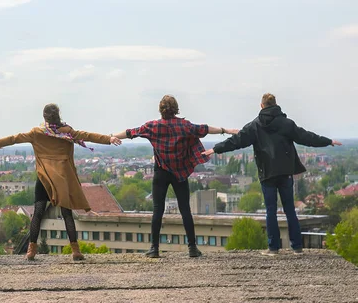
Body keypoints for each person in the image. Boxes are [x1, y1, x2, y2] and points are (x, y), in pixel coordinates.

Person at [203, 93, 342, 255]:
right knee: (290, 209)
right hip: (285, 172)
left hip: (267, 172)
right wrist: (328, 141)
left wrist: (214, 149)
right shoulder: (287, 124)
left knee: (271, 210)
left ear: (261, 106)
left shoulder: (254, 126)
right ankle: (297, 247)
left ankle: (273, 248)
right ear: (276, 105)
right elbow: (306, 137)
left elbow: (235, 141)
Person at [0, 103, 121, 261]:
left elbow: (14, 138)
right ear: (58, 115)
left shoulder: (37, 133)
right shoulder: (68, 132)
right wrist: (110, 139)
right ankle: (75, 250)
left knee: (38, 213)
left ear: (44, 116)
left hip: (44, 178)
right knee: (67, 214)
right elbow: (87, 135)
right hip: (63, 178)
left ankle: (31, 250)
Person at [112, 95, 238, 258]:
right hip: (180, 173)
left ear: (161, 109)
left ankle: (154, 249)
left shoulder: (152, 126)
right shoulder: (184, 126)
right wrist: (226, 130)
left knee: (158, 209)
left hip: (161, 172)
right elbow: (205, 129)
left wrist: (111, 136)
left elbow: (131, 132)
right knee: (185, 209)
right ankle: (192, 248)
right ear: (176, 109)